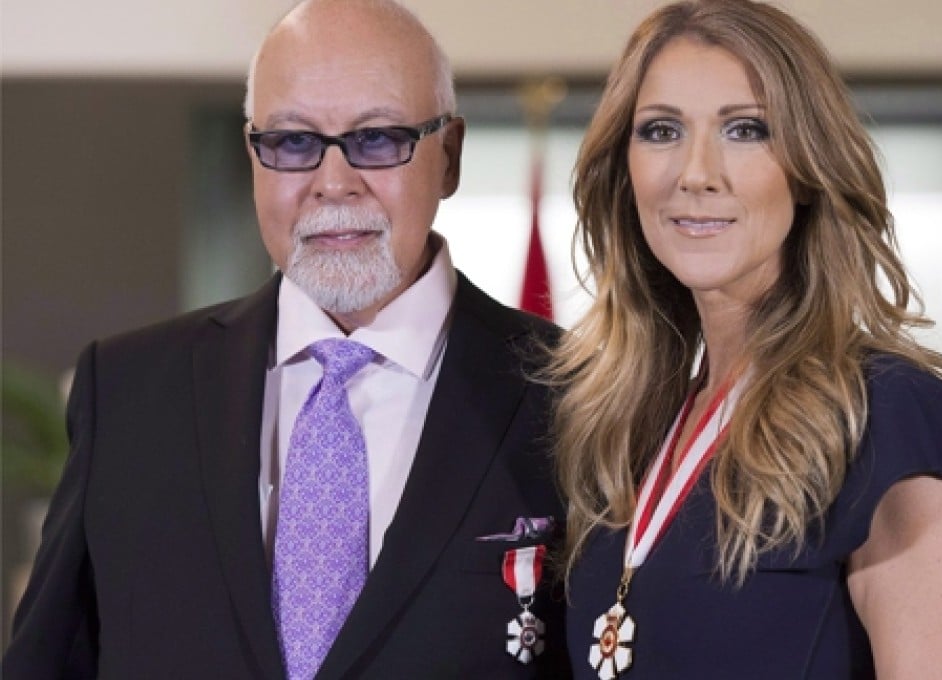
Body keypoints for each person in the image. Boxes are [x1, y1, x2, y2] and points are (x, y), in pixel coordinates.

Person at [3, 1, 570, 678]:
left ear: (448, 156)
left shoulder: (576, 396)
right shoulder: (127, 391)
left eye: (378, 137)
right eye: (294, 142)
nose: (333, 184)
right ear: (254, 155)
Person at [544, 1, 942, 678]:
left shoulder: (886, 417)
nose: (695, 173)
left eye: (746, 130)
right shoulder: (626, 429)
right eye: (661, 130)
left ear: (810, 169)